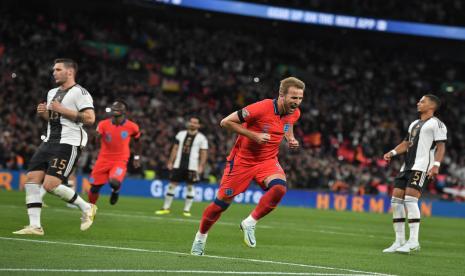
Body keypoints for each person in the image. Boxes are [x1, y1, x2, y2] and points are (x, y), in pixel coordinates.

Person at [190, 77, 305, 255]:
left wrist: (290, 138)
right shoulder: (261, 108)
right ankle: (200, 238)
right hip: (242, 162)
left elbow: (288, 123)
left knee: (279, 189)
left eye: (300, 98)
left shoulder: (294, 112)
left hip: (267, 161)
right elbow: (225, 122)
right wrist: (254, 135)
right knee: (220, 204)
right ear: (281, 95)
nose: (297, 102)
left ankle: (250, 222)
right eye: (293, 98)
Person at [13, 58, 97, 235]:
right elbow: (54, 118)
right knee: (32, 179)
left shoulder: (80, 93)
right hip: (50, 140)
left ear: (69, 72)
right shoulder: (52, 93)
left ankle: (87, 207)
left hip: (69, 142)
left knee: (50, 185)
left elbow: (90, 118)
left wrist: (62, 110)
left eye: (58, 69)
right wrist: (44, 114)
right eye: (53, 70)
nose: (54, 72)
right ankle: (35, 226)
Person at [382, 94, 447, 253]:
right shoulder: (414, 124)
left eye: (422, 101)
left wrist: (436, 166)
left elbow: (441, 147)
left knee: (410, 200)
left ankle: (413, 241)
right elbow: (407, 143)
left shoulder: (437, 124)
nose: (418, 103)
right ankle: (399, 241)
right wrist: (392, 152)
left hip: (422, 167)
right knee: (396, 202)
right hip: (407, 167)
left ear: (431, 106)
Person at [88, 100, 141, 205]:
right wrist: (94, 137)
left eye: (118, 108)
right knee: (94, 188)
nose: (115, 109)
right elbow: (93, 143)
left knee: (114, 182)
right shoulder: (103, 124)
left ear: (124, 111)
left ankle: (115, 191)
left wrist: (136, 157)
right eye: (113, 107)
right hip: (103, 159)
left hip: (120, 160)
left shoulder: (132, 127)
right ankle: (90, 209)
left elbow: (137, 142)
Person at [156, 116, 208, 217]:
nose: (193, 124)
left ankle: (186, 210)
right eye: (191, 122)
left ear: (198, 125)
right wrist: (170, 161)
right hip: (178, 164)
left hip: (192, 166)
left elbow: (203, 153)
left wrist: (201, 166)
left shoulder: (202, 138)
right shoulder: (180, 134)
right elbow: (175, 148)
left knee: (190, 187)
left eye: (195, 123)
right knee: (172, 185)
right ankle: (165, 208)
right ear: (189, 123)